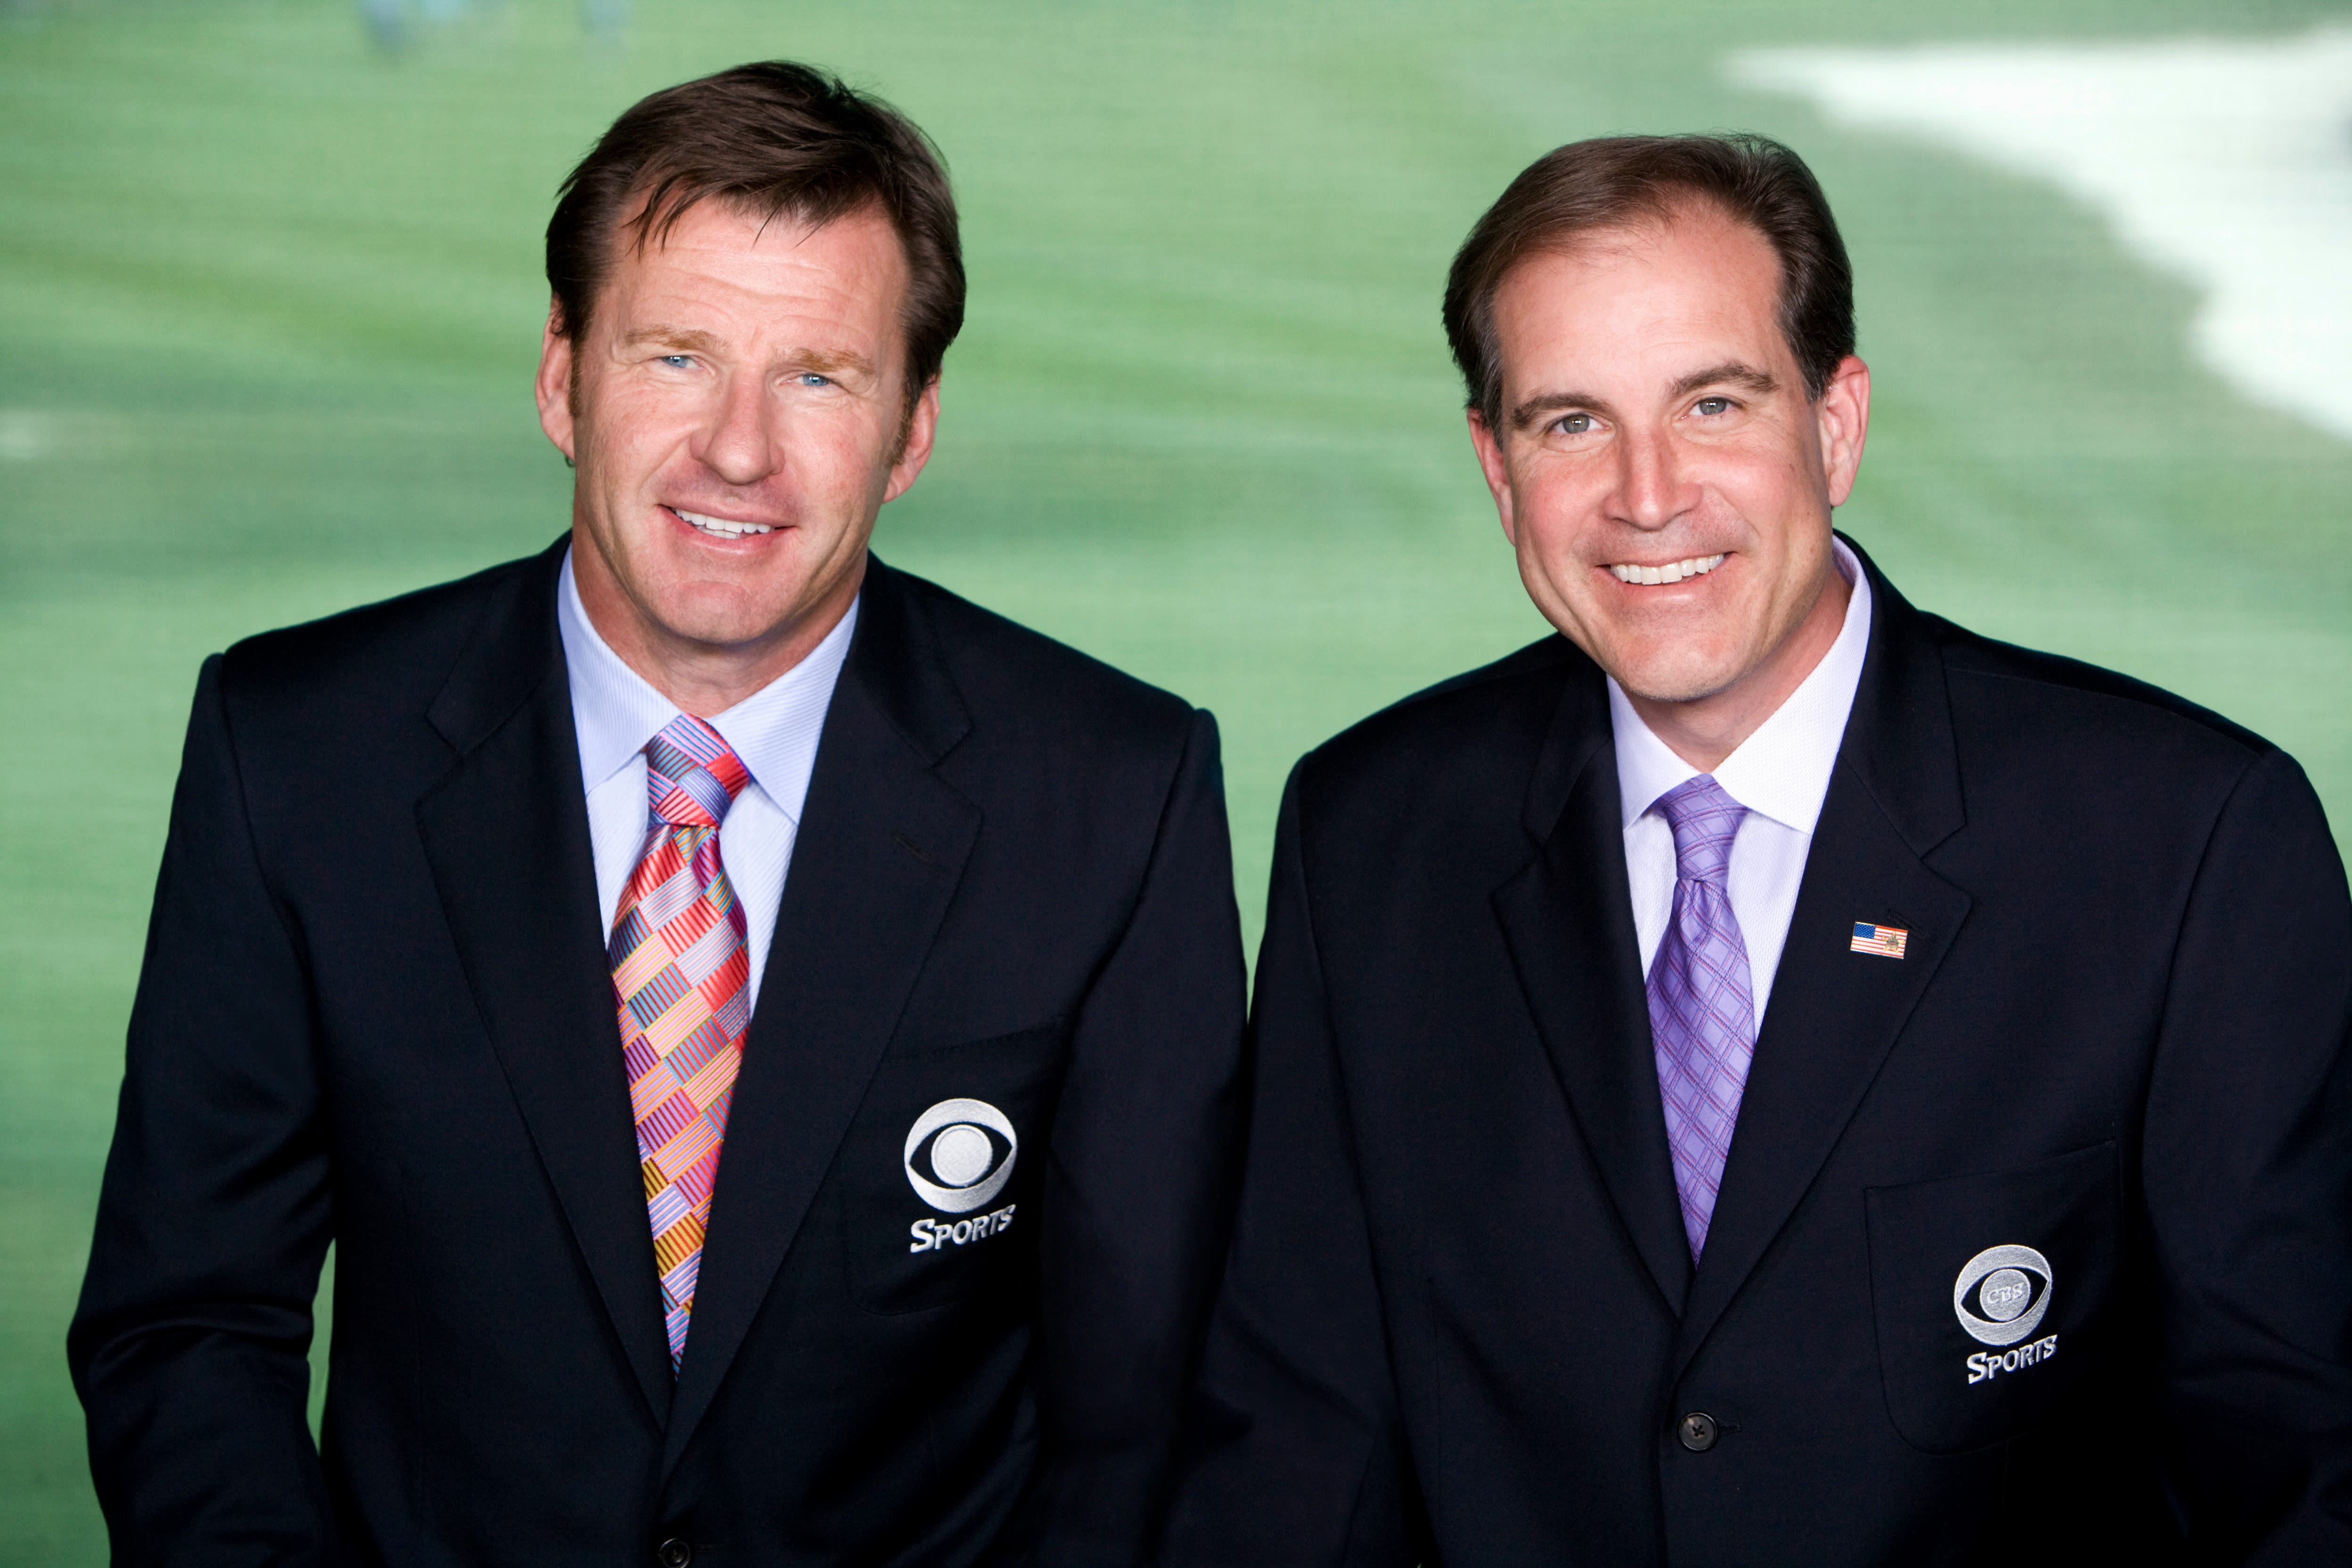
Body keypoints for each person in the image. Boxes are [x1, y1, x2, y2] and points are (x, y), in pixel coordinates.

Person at [71, 61, 1245, 1566]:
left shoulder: (1114, 790)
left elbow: (1142, 1409)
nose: (739, 450)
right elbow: (190, 1326)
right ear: (562, 377)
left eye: (818, 375)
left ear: (913, 429)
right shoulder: (298, 752)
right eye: (676, 357)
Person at [1160, 133, 2352, 1564]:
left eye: (1713, 404)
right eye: (1569, 423)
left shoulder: (2186, 842)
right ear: (1495, 464)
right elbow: (1300, 1444)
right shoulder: (1371, 833)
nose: (1648, 495)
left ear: (1835, 423)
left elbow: (2294, 1464)